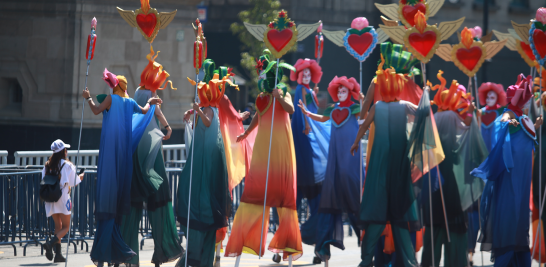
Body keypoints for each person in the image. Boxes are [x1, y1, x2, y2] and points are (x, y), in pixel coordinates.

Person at [351, 53, 444, 267]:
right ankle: (408, 261)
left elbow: (364, 126)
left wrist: (356, 142)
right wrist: (426, 98)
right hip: (398, 165)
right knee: (400, 214)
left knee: (378, 211)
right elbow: (422, 113)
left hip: (381, 166)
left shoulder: (378, 107)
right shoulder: (403, 106)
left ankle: (367, 260)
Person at [224, 49, 302, 261]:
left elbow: (291, 110)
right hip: (262, 150)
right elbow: (259, 115)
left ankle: (286, 245)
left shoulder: (282, 91)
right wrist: (246, 133)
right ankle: (246, 242)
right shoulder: (261, 97)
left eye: (263, 75)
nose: (261, 79)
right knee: (255, 193)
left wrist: (279, 96)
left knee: (283, 199)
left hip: (281, 150)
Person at [84, 68, 162, 266]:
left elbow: (95, 110)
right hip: (123, 157)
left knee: (106, 199)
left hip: (110, 155)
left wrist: (88, 98)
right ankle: (114, 252)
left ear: (114, 86)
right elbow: (144, 111)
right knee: (116, 199)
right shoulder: (130, 102)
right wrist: (150, 102)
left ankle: (105, 253)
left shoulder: (111, 99)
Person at [180, 59, 253, 267]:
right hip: (205, 155)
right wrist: (193, 111)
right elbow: (211, 116)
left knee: (214, 200)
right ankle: (212, 256)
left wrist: (241, 116)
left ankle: (215, 256)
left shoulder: (216, 104)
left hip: (215, 154)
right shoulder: (209, 105)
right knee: (209, 198)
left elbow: (217, 117)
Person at [117, 47, 182, 267]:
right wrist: (167, 127)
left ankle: (129, 257)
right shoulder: (151, 96)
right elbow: (156, 112)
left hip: (135, 150)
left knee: (133, 205)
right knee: (159, 202)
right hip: (152, 151)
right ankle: (161, 253)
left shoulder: (136, 92)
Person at [471, 74, 543, 266]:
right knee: (509, 220)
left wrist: (533, 127)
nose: (528, 104)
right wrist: (521, 124)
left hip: (521, 180)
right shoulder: (508, 115)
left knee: (519, 223)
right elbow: (502, 134)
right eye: (526, 100)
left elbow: (525, 141)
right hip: (509, 179)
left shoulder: (522, 117)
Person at [421, 72, 488, 267]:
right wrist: (472, 114)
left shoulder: (434, 118)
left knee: (433, 238)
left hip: (434, 189)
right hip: (454, 190)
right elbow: (466, 133)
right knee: (456, 239)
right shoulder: (452, 119)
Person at [297, 75, 362, 265]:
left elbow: (365, 115)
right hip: (335, 163)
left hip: (350, 161)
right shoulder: (333, 109)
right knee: (329, 205)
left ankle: (367, 245)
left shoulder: (354, 108)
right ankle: (322, 250)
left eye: (345, 90)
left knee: (354, 203)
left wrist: (364, 101)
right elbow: (322, 117)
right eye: (339, 90)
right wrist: (307, 114)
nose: (341, 93)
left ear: (350, 92)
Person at [289, 58, 330, 258]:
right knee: (304, 203)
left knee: (313, 203)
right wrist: (308, 127)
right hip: (306, 142)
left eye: (308, 73)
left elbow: (313, 112)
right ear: (298, 74)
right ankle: (299, 243)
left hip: (310, 142)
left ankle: (315, 247)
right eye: (302, 73)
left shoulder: (310, 90)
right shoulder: (301, 90)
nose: (305, 75)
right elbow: (303, 112)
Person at [41, 139, 84, 263]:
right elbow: (74, 182)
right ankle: (50, 243)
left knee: (58, 225)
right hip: (63, 198)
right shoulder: (67, 165)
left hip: (50, 198)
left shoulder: (47, 165)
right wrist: (81, 176)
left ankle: (58, 254)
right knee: (66, 227)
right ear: (63, 151)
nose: (67, 151)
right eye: (66, 149)